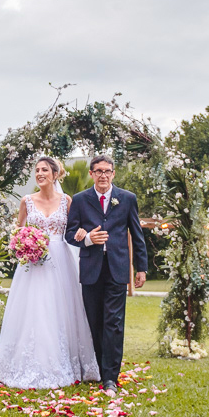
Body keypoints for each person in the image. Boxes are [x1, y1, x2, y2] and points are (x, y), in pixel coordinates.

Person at [0, 158, 100, 389]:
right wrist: (23, 244)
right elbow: (17, 232)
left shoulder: (67, 201)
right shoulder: (26, 201)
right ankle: (29, 362)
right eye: (37, 170)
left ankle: (64, 362)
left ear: (54, 174)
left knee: (60, 309)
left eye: (44, 170)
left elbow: (73, 229)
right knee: (34, 310)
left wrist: (83, 233)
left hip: (60, 260)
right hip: (32, 264)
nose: (40, 173)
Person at [64, 155, 148, 394]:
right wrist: (88, 239)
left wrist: (141, 268)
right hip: (90, 270)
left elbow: (137, 235)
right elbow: (69, 234)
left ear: (113, 174)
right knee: (95, 322)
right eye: (98, 171)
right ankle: (101, 369)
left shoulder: (127, 198)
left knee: (114, 322)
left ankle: (110, 377)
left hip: (117, 268)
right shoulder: (80, 200)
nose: (103, 175)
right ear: (91, 174)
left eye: (107, 171)